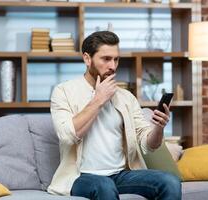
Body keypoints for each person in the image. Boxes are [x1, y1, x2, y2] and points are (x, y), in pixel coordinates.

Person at [48, 31, 181, 200]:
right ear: (87, 59)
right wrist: (98, 100)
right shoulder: (64, 92)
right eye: (106, 59)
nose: (112, 66)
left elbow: (148, 145)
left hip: (120, 175)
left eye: (116, 59)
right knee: (104, 186)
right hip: (81, 176)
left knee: (170, 181)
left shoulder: (126, 97)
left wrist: (159, 128)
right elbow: (67, 136)